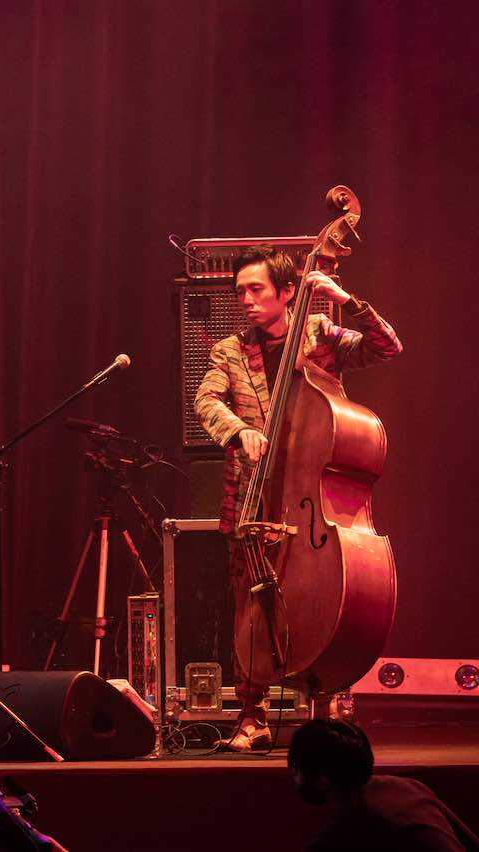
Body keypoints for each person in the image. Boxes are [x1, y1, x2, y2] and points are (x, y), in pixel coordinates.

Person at [194, 245, 402, 751]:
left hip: (309, 498)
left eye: (256, 289)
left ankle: (326, 704)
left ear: (288, 291)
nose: (246, 299)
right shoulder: (228, 351)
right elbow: (206, 399)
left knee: (324, 598)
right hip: (254, 498)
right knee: (250, 605)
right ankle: (252, 716)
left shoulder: (319, 334)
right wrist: (239, 429)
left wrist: (350, 303)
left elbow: (386, 348)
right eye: (240, 291)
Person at [290, 719, 479, 851]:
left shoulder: (341, 834)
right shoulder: (409, 787)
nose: (294, 777)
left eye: (296, 770)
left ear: (322, 780)